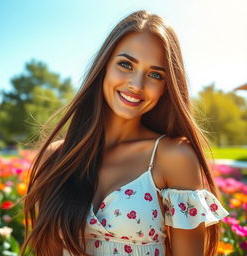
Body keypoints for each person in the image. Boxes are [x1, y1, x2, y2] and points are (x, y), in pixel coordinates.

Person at [20, 10, 229, 256]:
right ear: (104, 67)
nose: (136, 85)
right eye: (125, 64)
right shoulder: (58, 157)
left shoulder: (173, 157)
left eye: (154, 75)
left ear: (166, 87)